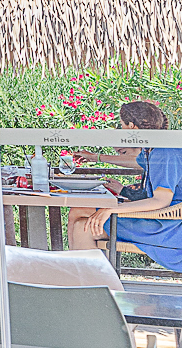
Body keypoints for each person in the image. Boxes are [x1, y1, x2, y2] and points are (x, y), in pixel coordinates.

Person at [72, 101, 182, 269]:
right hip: (158, 221)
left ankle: (93, 288)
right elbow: (135, 161)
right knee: (77, 212)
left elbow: (161, 201)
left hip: (166, 228)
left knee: (83, 227)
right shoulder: (154, 148)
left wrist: (110, 209)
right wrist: (95, 157)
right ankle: (79, 280)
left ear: (132, 127)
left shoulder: (164, 152)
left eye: (122, 126)